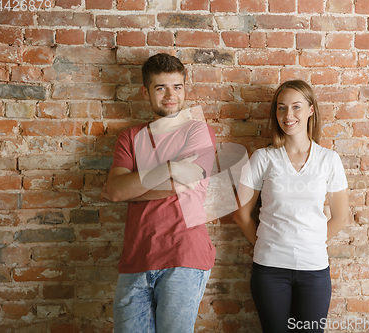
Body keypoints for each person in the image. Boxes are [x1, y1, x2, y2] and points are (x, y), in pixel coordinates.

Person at [101, 53, 216, 333]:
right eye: (160, 87)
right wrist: (171, 167)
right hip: (136, 259)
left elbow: (188, 182)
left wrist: (135, 187)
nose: (170, 95)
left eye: (177, 86)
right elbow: (114, 190)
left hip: (184, 255)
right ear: (145, 91)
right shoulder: (130, 137)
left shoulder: (197, 131)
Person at [233, 80, 349, 333]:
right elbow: (241, 215)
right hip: (270, 271)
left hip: (314, 271)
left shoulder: (329, 160)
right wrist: (270, 245)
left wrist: (310, 243)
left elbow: (340, 217)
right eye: (282, 108)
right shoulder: (262, 158)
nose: (288, 115)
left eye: (296, 107)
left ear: (311, 110)